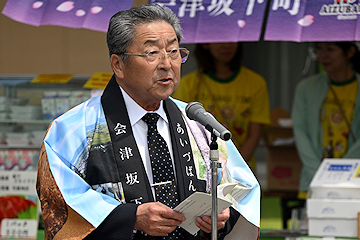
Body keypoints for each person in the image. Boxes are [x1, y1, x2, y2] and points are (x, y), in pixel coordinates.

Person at [36, 4, 260, 240]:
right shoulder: (73, 128)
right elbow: (60, 202)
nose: (167, 64)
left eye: (174, 51)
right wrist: (130, 218)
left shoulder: (197, 122)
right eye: (152, 53)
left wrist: (224, 216)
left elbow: (244, 191)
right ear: (118, 65)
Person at [172, 42, 271, 170]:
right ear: (205, 44)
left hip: (240, 169)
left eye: (231, 39)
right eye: (219, 40)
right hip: (199, 168)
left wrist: (233, 168)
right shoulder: (188, 84)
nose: (226, 45)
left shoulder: (256, 83)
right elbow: (180, 130)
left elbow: (254, 135)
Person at [292, 41, 360, 199]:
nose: (323, 55)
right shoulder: (306, 88)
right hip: (314, 179)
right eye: (319, 49)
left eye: (330, 49)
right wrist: (319, 175)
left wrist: (341, 172)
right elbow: (300, 132)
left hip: (354, 180)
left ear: (349, 52)